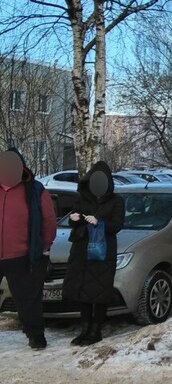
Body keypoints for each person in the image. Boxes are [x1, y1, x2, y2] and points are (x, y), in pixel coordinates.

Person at [0, 149, 57, 350]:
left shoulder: (35, 190)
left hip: (22, 256)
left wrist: (43, 246)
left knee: (28, 300)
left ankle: (36, 336)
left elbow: (48, 221)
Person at [63, 161, 124, 346]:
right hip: (81, 251)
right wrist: (74, 218)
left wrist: (99, 222)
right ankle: (85, 328)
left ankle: (96, 329)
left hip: (102, 252)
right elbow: (73, 220)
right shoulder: (82, 198)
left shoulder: (116, 201)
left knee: (100, 292)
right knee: (83, 291)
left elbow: (117, 225)